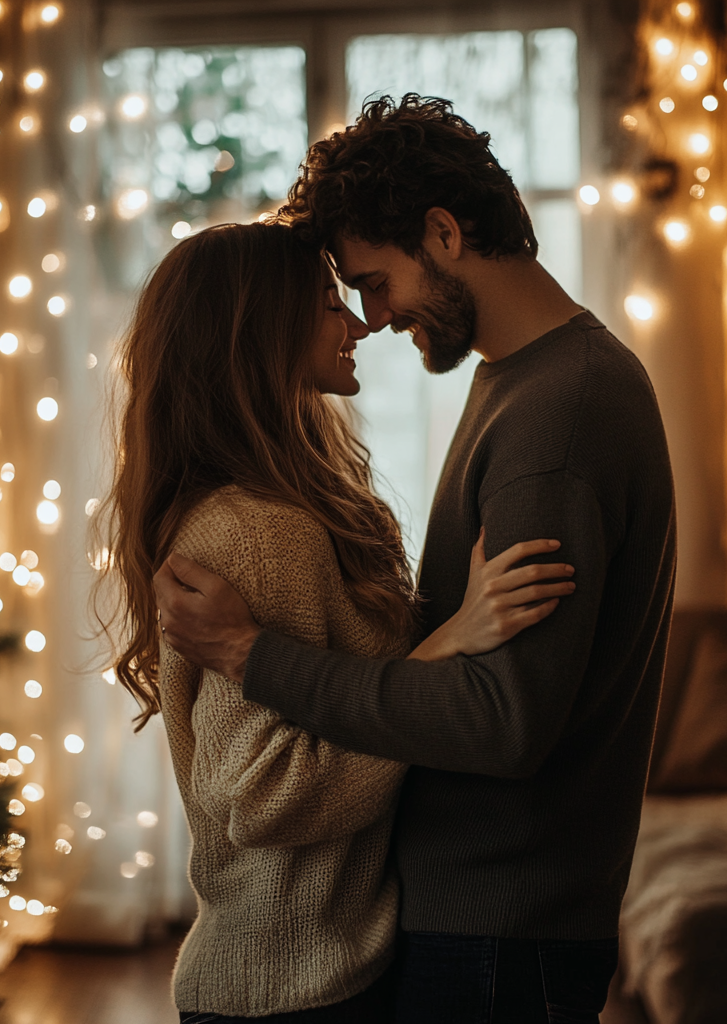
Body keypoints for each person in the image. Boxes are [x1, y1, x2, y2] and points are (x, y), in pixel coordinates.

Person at [154, 96, 678, 1024]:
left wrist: (256, 656)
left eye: (373, 280)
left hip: (500, 928)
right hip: (473, 923)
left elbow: (500, 719)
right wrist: (441, 638)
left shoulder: (561, 411)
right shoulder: (520, 383)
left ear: (443, 233)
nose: (375, 317)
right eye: (346, 294)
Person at [96, 220, 577, 1022]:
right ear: (259, 333)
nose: (359, 324)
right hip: (288, 992)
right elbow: (265, 795)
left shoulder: (289, 503)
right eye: (329, 304)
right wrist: (444, 650)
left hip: (326, 972)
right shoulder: (254, 531)